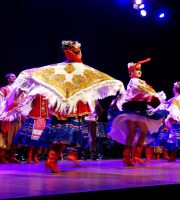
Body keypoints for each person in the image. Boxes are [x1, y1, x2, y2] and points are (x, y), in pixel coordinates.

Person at [0, 40, 125, 172]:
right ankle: (52, 159)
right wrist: (118, 84)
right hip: (69, 107)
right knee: (64, 133)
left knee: (68, 133)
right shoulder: (81, 69)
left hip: (65, 107)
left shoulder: (60, 68)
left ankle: (61, 157)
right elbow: (100, 77)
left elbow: (37, 73)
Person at [107, 58, 167, 166]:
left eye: (140, 69)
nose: (139, 71)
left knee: (140, 132)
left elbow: (147, 91)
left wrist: (154, 97)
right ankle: (130, 157)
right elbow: (143, 91)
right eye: (137, 69)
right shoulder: (134, 81)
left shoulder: (139, 81)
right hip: (134, 109)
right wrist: (154, 96)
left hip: (139, 109)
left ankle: (134, 156)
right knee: (136, 132)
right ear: (131, 72)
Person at [0, 73, 23, 164]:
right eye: (12, 76)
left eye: (15, 76)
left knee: (15, 136)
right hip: (7, 116)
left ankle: (12, 157)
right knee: (5, 136)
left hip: (17, 116)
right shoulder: (4, 89)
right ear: (8, 79)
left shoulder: (19, 90)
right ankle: (2, 157)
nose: (15, 77)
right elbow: (1, 103)